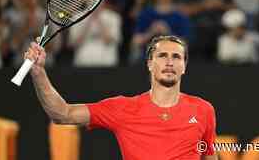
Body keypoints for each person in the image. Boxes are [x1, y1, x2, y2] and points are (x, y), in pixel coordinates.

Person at [24, 35, 218, 160]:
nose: (169, 62)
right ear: (150, 63)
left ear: (184, 66)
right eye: (162, 56)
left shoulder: (203, 110)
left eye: (176, 57)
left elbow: (210, 156)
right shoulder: (122, 108)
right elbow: (63, 114)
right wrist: (38, 72)